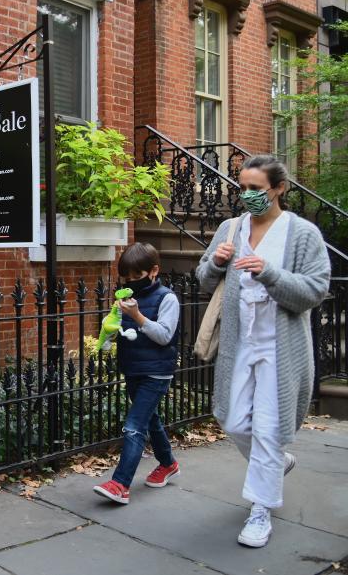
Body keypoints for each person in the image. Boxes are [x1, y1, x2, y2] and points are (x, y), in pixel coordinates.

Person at [196, 154, 330, 548]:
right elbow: (203, 279)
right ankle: (277, 465)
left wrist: (269, 272)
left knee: (269, 427)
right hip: (240, 342)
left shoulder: (302, 233)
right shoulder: (230, 227)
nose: (248, 195)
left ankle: (260, 509)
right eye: (243, 188)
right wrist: (217, 263)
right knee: (235, 421)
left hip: (280, 345)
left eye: (256, 189)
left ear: (279, 189)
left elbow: (315, 291)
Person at [94, 242, 181, 505]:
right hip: (132, 367)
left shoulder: (168, 298)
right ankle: (168, 463)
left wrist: (138, 316)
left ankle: (120, 484)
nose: (131, 282)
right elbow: (117, 329)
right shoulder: (127, 298)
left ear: (154, 271)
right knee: (150, 420)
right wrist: (109, 332)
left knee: (134, 427)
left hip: (157, 372)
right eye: (127, 277)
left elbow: (165, 336)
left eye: (137, 276)